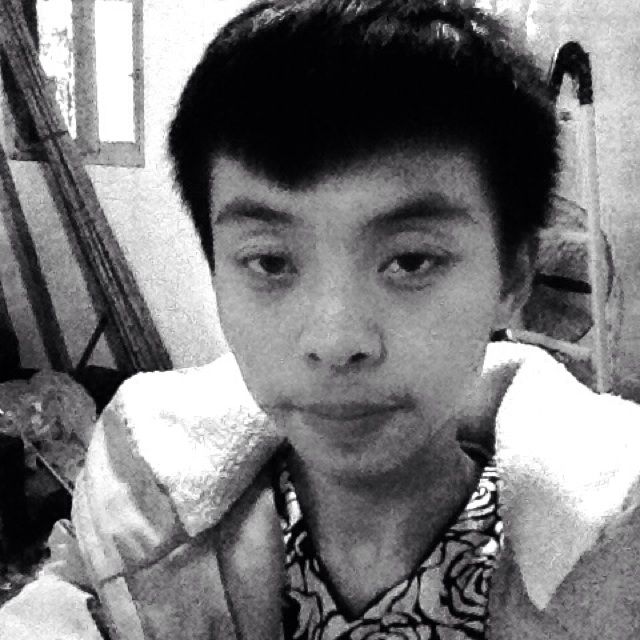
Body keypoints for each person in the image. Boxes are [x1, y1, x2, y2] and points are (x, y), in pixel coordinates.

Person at [2, 0, 640, 638]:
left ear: (513, 277)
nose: (336, 342)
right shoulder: (140, 513)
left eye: (411, 261)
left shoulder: (610, 561)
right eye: (271, 262)